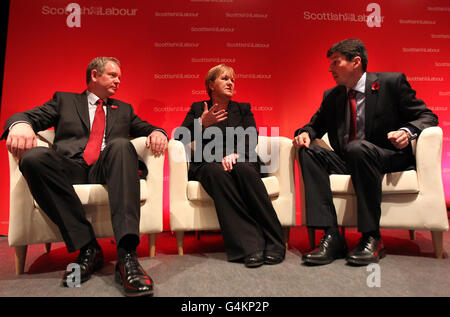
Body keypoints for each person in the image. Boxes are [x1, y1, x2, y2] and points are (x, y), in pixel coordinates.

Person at [2, 57, 168, 296]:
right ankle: (88, 247)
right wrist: (19, 125)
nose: (118, 81)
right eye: (112, 75)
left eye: (119, 77)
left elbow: (146, 127)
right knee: (33, 158)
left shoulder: (124, 109)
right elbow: (29, 116)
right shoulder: (64, 100)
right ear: (94, 75)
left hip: (106, 166)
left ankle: (127, 256)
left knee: (122, 145)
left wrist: (158, 132)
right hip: (70, 166)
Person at [293, 39, 438, 266]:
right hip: (349, 158)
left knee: (357, 148)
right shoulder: (333, 96)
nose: (330, 69)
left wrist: (406, 131)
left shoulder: (391, 83)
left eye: (336, 62)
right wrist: (305, 134)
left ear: (356, 62)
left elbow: (427, 117)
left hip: (386, 157)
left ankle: (372, 237)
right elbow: (314, 125)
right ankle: (331, 235)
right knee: (307, 151)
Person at [175, 64, 285, 268]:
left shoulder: (243, 109)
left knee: (243, 168)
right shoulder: (198, 108)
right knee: (216, 172)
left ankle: (274, 241)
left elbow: (252, 136)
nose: (230, 83)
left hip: (241, 158)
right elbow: (179, 138)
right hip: (208, 162)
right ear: (211, 84)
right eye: (224, 78)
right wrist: (202, 124)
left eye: (232, 80)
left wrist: (238, 154)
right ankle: (249, 246)